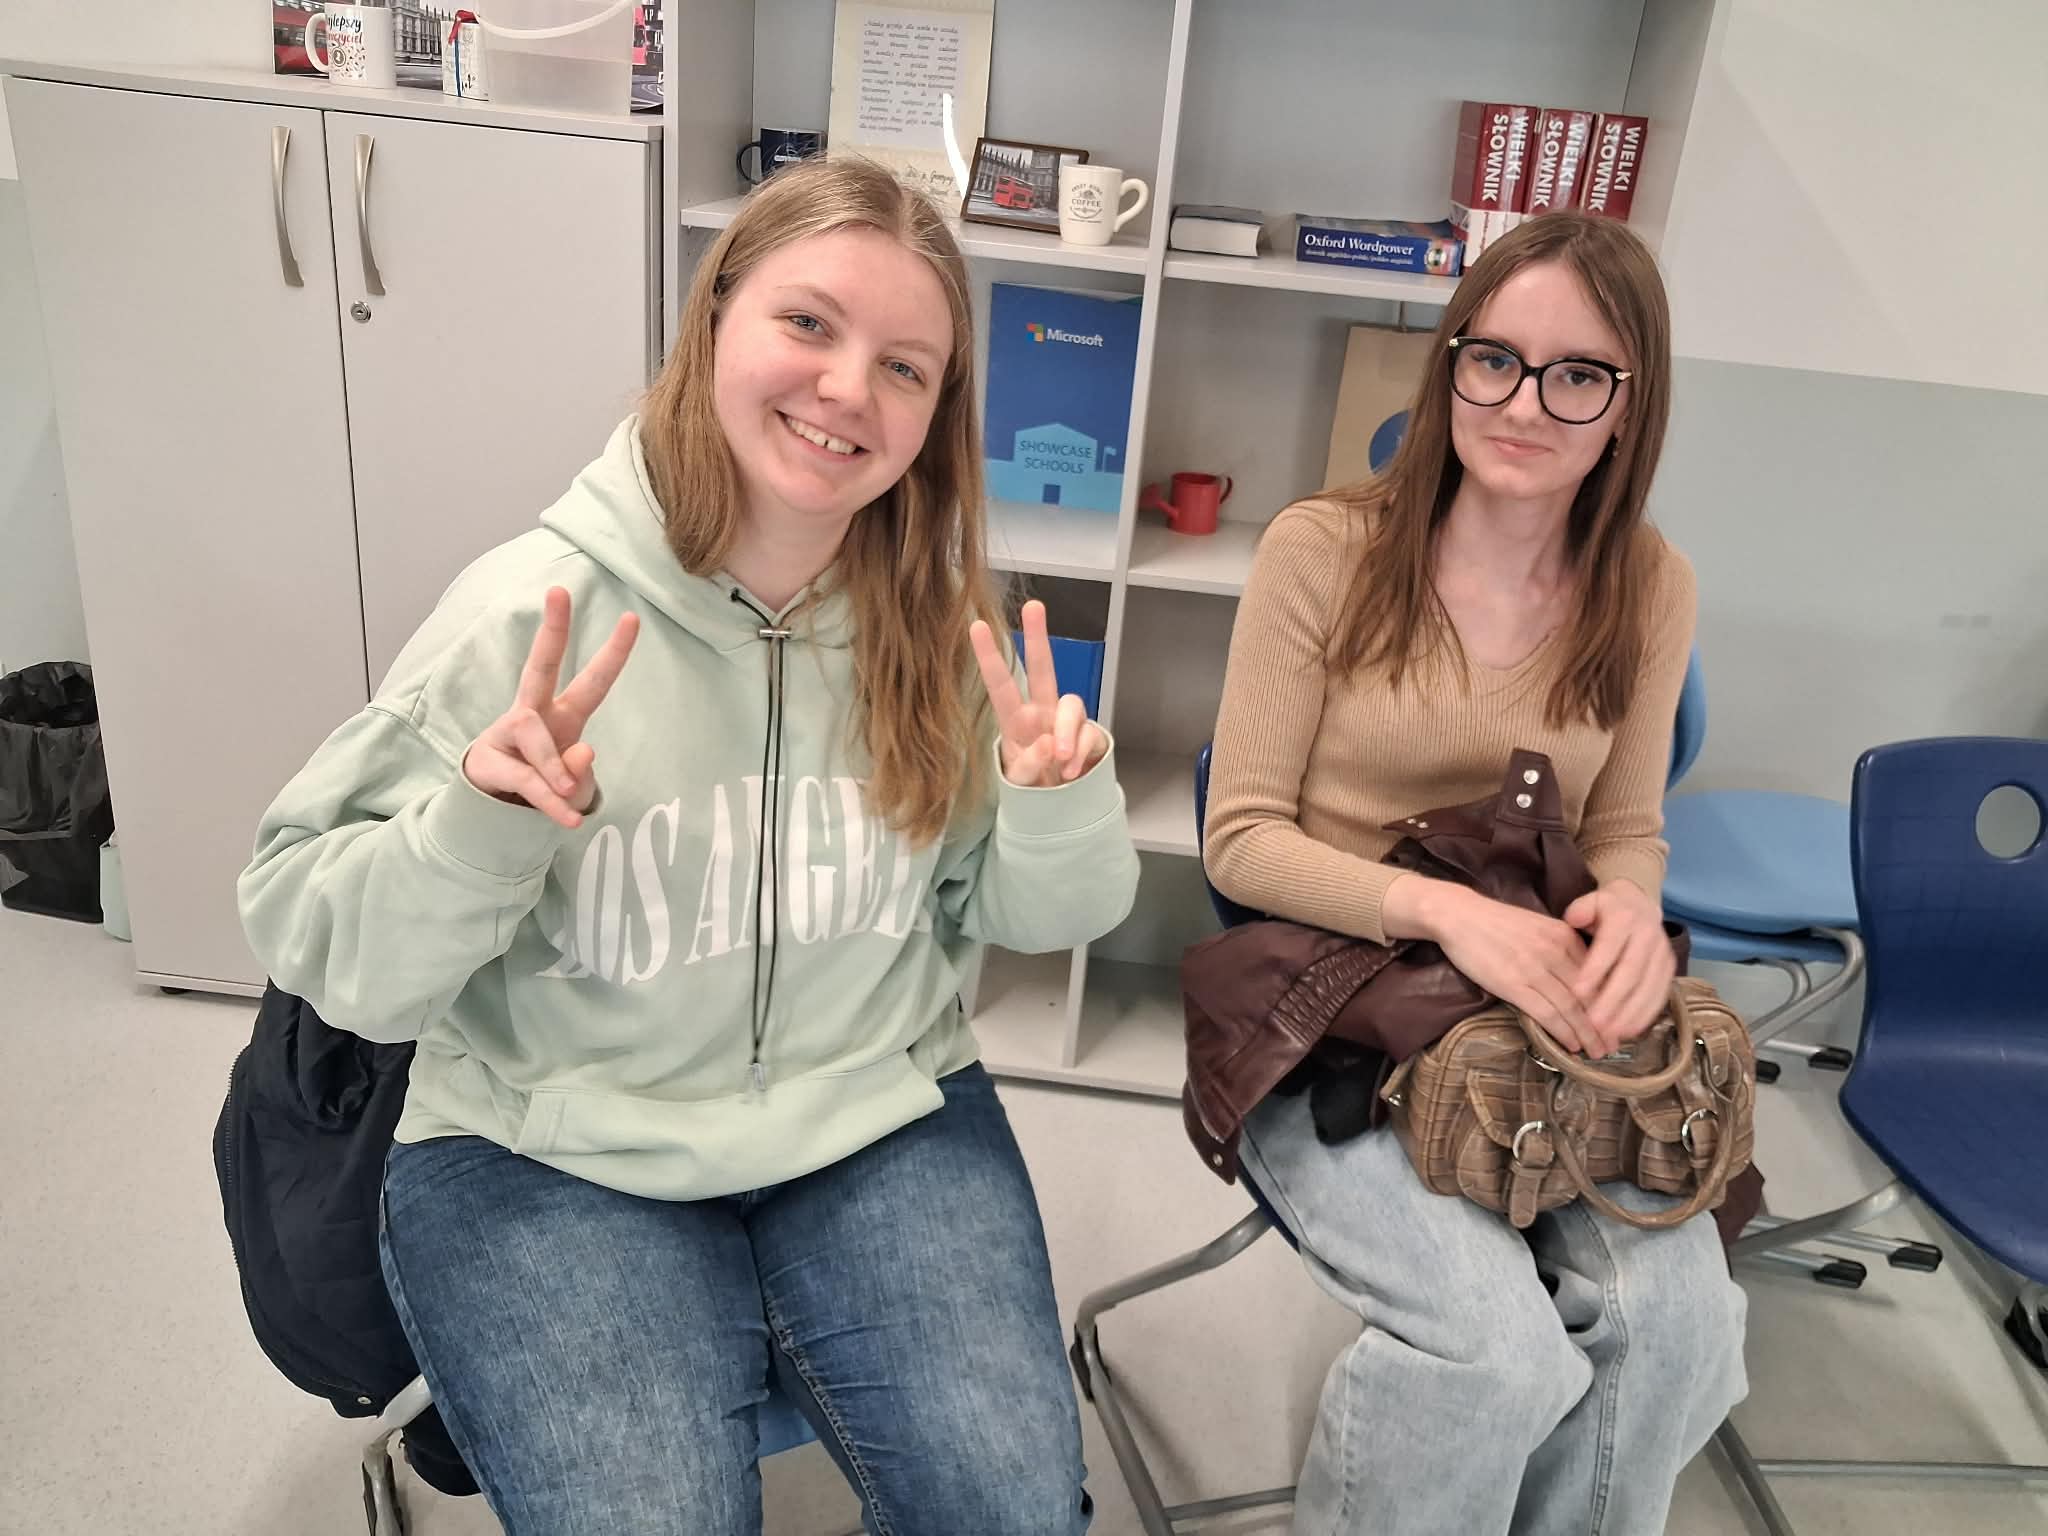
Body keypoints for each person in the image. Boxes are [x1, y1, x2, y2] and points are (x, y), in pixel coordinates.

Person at [239, 156, 1138, 1535]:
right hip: (553, 1143)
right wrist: (474, 832)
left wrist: (1053, 807)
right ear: (715, 318)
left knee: (1016, 1514)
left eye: (906, 367)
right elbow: (317, 939)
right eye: (808, 323)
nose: (848, 388)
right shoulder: (527, 613)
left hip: (873, 1114)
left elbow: (1017, 912)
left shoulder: (933, 629)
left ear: (936, 414)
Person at [1204, 211, 1747, 1536]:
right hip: (1330, 1012)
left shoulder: (1650, 582)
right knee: (1496, 1357)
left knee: (1678, 1324)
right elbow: (1241, 838)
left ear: (1631, 405)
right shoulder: (1323, 550)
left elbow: (1627, 825)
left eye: (1578, 375)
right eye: (1493, 359)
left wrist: (1630, 904)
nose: (1522, 404)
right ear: (1450, 360)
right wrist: (1445, 911)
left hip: (1530, 1016)